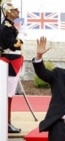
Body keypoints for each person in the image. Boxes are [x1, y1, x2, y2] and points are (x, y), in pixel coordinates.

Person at [0, 1, 23, 133]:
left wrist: (18, 42)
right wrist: (19, 41)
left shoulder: (10, 26)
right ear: (8, 12)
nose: (17, 12)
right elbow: (11, 45)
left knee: (9, 95)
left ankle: (6, 121)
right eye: (15, 10)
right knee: (7, 95)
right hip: (9, 62)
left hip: (13, 61)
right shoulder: (5, 27)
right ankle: (5, 122)